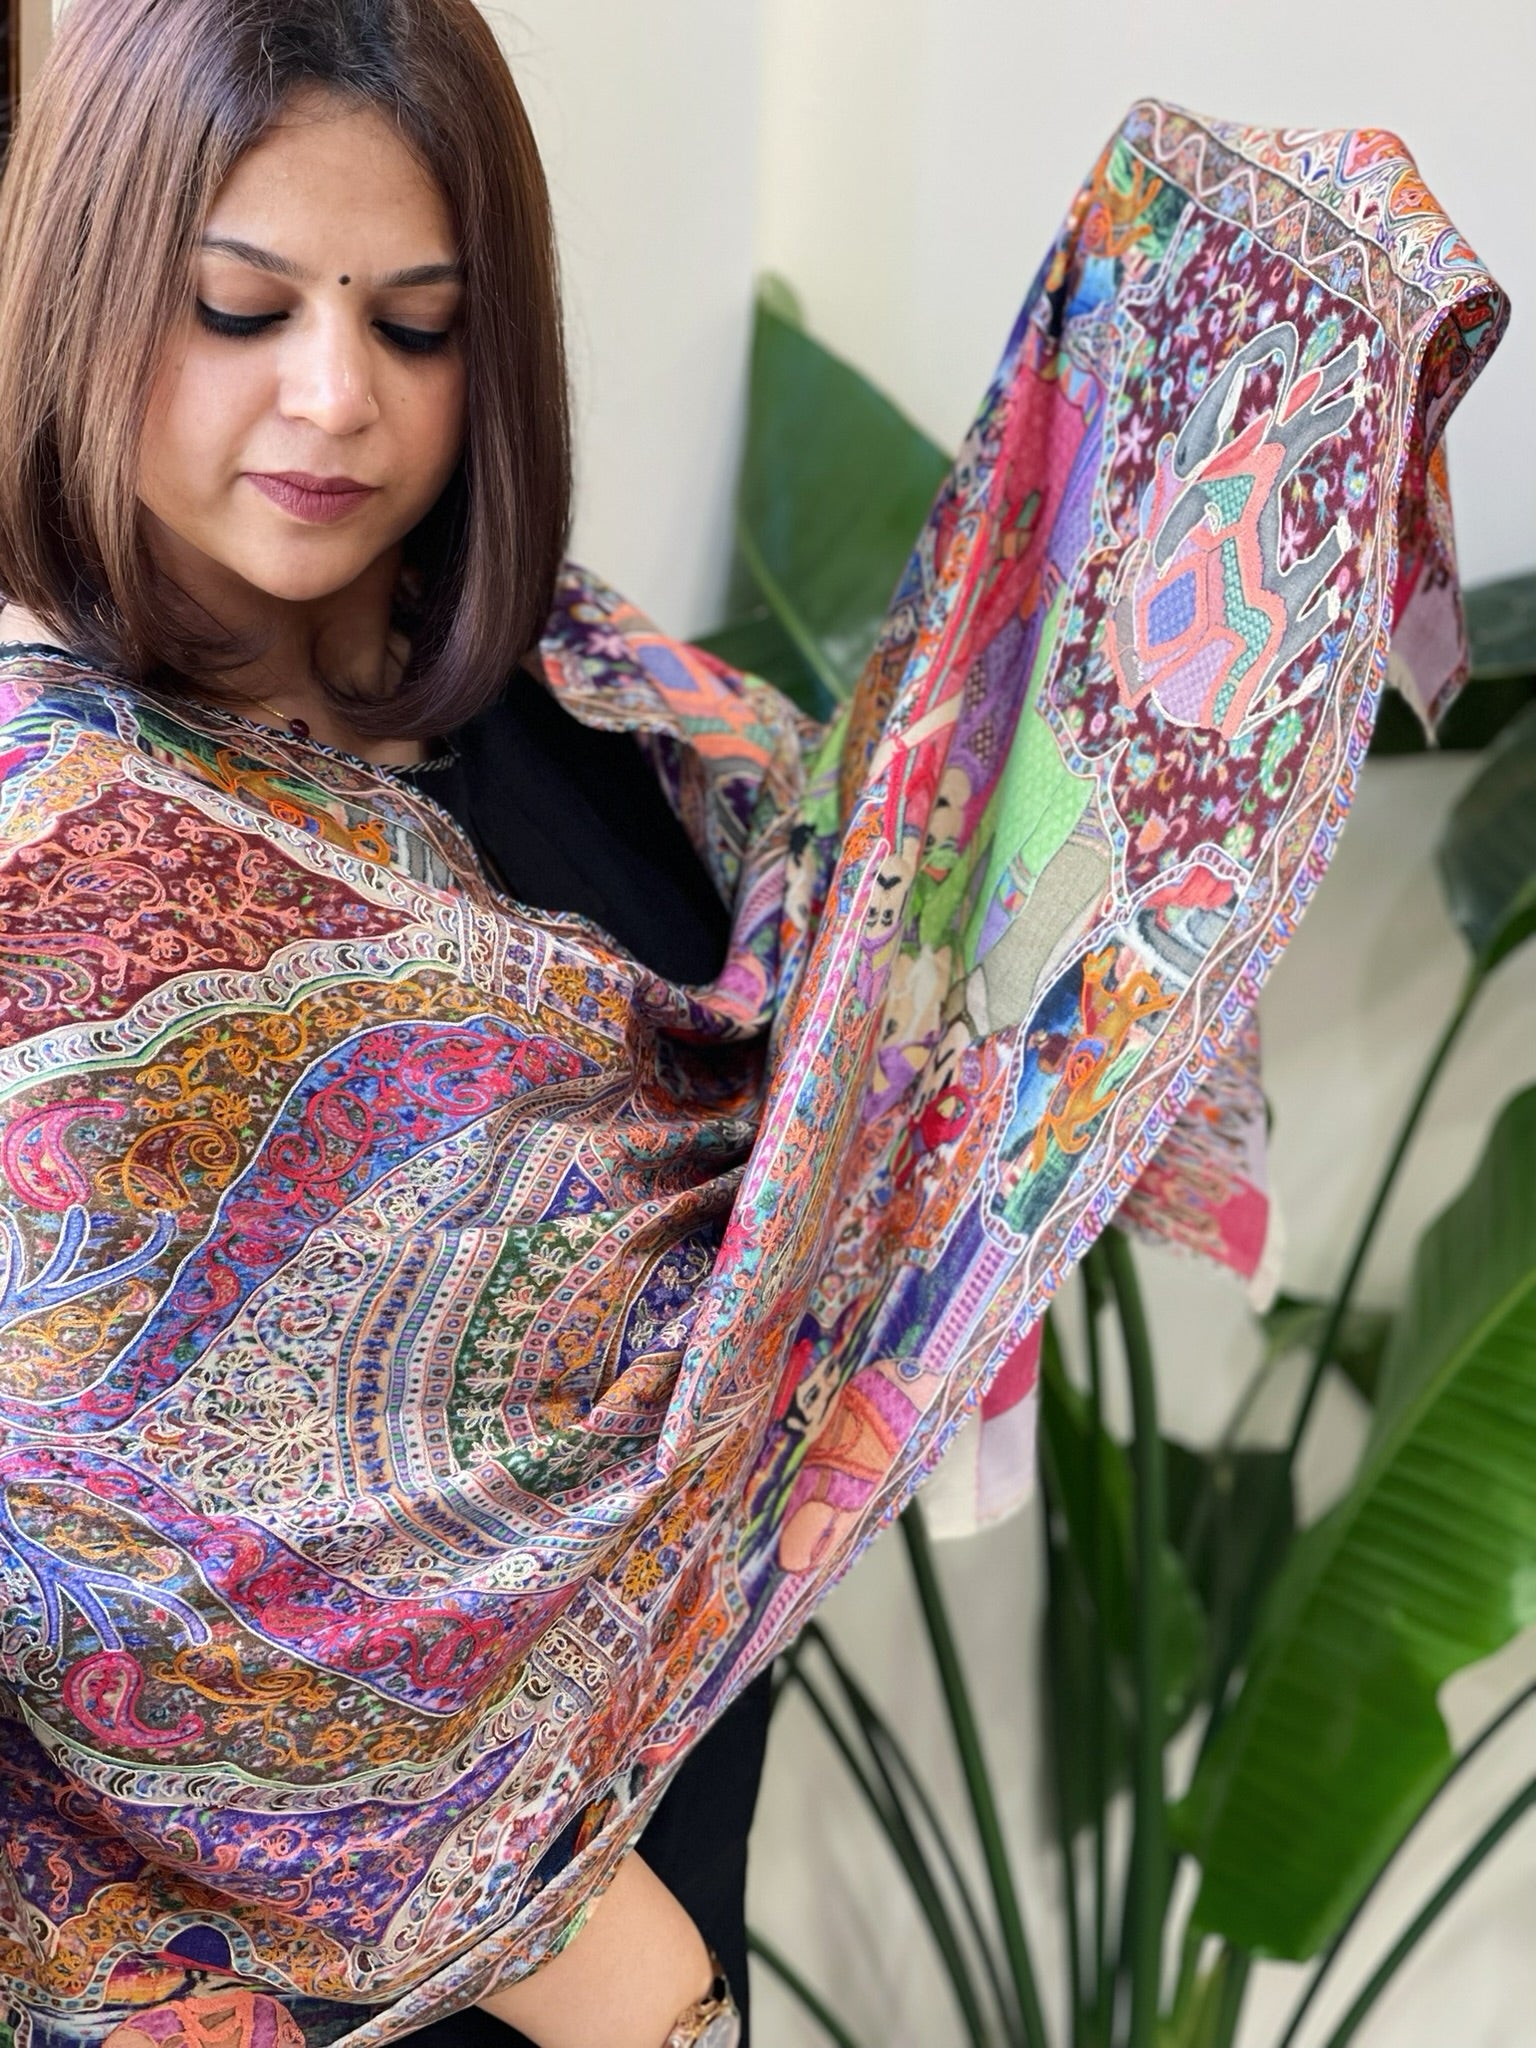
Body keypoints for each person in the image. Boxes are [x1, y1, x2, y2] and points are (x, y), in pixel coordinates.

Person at [0, 6, 1504, 2048]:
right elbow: (152, 1614)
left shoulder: (588, 689)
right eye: (239, 308)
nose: (334, 395)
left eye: (418, 324)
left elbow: (880, 936)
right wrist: (655, 1995)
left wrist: (1215, 353)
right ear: (85, 287)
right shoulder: (57, 869)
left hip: (689, 1849)